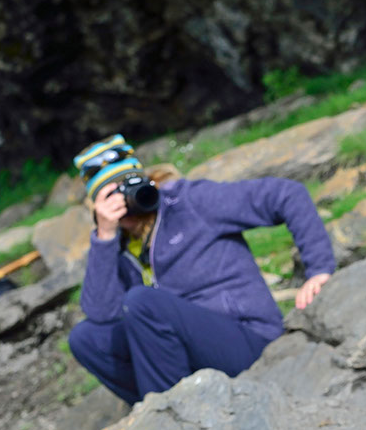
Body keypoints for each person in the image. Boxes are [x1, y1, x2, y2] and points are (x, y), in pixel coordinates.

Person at [66, 135, 335, 405]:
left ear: (146, 181)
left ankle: (168, 415)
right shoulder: (116, 244)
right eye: (112, 196)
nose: (126, 201)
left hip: (247, 338)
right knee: (85, 339)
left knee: (143, 302)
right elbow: (102, 314)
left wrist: (319, 269)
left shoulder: (189, 202)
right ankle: (162, 411)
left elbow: (287, 194)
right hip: (185, 350)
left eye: (128, 188)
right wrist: (104, 237)